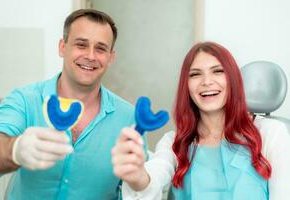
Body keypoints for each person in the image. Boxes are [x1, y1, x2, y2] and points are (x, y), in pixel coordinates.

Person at [0, 9, 142, 200]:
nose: (90, 56)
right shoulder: (24, 100)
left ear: (111, 58)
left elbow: (137, 186)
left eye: (100, 48)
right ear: (62, 47)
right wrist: (15, 149)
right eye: (81, 44)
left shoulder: (129, 117)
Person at [112, 42, 290, 200]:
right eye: (195, 74)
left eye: (218, 71)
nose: (206, 81)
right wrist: (137, 176)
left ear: (233, 80)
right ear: (186, 86)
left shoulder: (271, 133)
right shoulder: (174, 142)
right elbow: (156, 173)